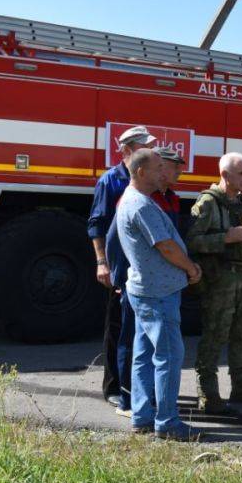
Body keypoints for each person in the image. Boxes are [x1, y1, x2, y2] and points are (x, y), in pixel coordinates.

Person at [115, 148, 202, 441]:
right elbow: (165, 246)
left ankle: (142, 416)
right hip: (158, 292)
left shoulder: (134, 200)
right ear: (141, 172)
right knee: (168, 356)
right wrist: (190, 267)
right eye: (157, 168)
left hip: (144, 290)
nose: (162, 173)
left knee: (144, 354)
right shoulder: (141, 205)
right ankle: (167, 423)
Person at [186, 153, 242, 412]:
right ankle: (208, 394)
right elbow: (192, 241)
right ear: (225, 175)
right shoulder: (208, 203)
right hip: (221, 280)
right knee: (215, 335)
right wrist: (226, 237)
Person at [88, 125, 155, 406]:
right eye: (145, 145)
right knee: (117, 328)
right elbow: (96, 224)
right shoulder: (110, 181)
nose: (150, 150)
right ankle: (114, 387)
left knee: (138, 329)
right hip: (119, 268)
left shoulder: (147, 178)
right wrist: (102, 262)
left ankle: (135, 386)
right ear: (128, 150)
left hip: (141, 266)